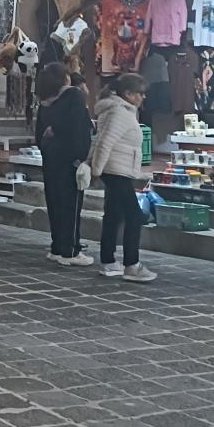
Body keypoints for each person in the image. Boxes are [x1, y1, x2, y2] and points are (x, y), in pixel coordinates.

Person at [89, 71, 156, 282]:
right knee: (133, 215)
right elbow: (105, 142)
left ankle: (109, 260)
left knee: (113, 214)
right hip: (117, 170)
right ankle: (131, 264)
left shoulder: (120, 111)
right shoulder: (120, 113)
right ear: (127, 93)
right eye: (140, 93)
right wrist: (95, 171)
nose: (143, 97)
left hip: (118, 168)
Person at [35, 62, 94, 266]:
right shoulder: (73, 97)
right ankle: (70, 250)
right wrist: (82, 157)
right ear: (65, 78)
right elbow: (79, 128)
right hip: (70, 158)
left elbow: (39, 135)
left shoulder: (44, 102)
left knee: (55, 202)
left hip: (51, 158)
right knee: (71, 204)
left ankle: (57, 246)